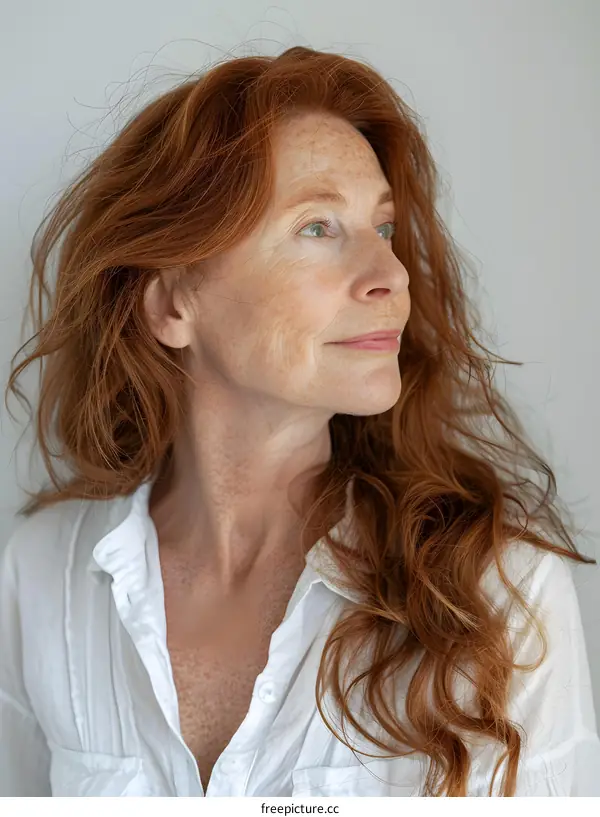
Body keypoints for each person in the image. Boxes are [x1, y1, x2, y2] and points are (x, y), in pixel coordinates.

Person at [1, 45, 599, 798]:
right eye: (318, 227)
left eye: (382, 228)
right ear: (171, 304)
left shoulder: (497, 594)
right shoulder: (42, 577)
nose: (392, 275)